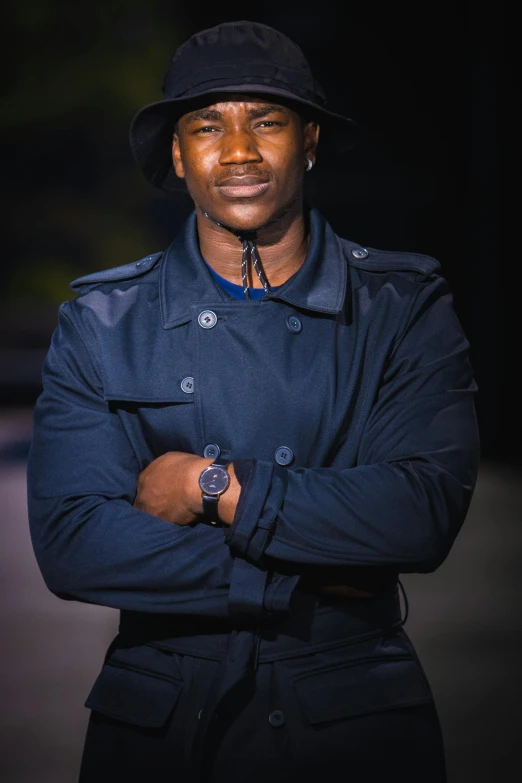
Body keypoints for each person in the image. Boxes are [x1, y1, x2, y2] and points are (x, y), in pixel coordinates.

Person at [26, 19, 479, 783]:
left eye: (266, 121)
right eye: (207, 126)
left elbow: (420, 510)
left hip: (357, 726)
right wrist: (299, 573)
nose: (238, 150)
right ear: (178, 154)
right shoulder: (104, 322)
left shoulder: (401, 306)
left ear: (309, 140)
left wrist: (217, 488)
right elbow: (74, 540)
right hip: (161, 726)